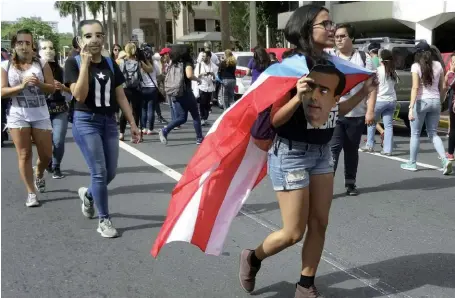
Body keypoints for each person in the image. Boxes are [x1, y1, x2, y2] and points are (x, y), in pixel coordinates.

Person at [238, 5, 378, 298]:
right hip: (291, 153)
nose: (332, 29)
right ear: (306, 30)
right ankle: (252, 258)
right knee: (292, 233)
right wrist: (296, 97)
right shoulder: (288, 68)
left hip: (322, 152)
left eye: (332, 23)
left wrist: (364, 94)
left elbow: (332, 111)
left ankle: (305, 285)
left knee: (320, 222)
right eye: (325, 24)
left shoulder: (331, 66)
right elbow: (274, 120)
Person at [64, 20, 141, 238]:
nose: (94, 40)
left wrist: (133, 124)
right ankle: (104, 219)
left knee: (110, 172)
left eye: (99, 35)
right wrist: (86, 65)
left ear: (104, 38)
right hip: (85, 120)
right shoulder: (73, 62)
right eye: (88, 36)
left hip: (109, 122)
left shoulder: (110, 62)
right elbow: (78, 95)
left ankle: (88, 195)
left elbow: (120, 95)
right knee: (98, 172)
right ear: (80, 40)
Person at [1, 29, 55, 207]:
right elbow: (2, 92)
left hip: (40, 114)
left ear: (33, 45)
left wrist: (39, 84)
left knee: (46, 155)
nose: (24, 46)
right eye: (20, 43)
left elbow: (52, 88)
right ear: (14, 45)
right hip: (18, 115)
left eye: (27, 43)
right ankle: (31, 193)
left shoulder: (42, 63)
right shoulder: (5, 66)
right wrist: (21, 86)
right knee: (24, 154)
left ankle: (39, 173)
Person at [329, 23, 377, 196]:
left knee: (351, 150)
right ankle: (326, 186)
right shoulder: (330, 57)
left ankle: (350, 183)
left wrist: (370, 110)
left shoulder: (364, 58)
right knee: (333, 150)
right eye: (336, 36)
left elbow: (372, 86)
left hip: (356, 113)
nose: (339, 39)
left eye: (343, 36)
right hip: (334, 113)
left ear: (352, 38)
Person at [400, 42, 452, 175]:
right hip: (435, 101)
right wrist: (440, 102)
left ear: (417, 53)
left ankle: (412, 163)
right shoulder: (439, 65)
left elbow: (415, 88)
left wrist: (411, 107)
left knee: (415, 133)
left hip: (421, 102)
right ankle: (445, 160)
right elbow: (442, 87)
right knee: (433, 133)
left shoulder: (416, 66)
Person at [39, 39, 71, 179]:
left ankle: (56, 166)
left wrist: (63, 87)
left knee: (58, 140)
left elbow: (72, 91)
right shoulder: (35, 70)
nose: (48, 50)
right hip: (40, 110)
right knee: (46, 143)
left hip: (60, 109)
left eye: (51, 47)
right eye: (44, 47)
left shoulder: (61, 70)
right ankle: (47, 162)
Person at [159, 44, 203, 145]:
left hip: (175, 92)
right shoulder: (187, 62)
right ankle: (199, 138)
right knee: (196, 115)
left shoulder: (174, 63)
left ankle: (165, 130)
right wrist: (198, 79)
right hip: (186, 92)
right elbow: (189, 75)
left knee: (182, 117)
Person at [361, 49, 398, 155]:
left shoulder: (377, 70)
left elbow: (372, 85)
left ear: (381, 58)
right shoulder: (393, 71)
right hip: (391, 100)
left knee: (371, 122)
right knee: (389, 126)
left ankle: (369, 145)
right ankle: (387, 150)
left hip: (379, 100)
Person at [118, 42, 145, 142]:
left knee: (125, 110)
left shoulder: (122, 62)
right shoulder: (138, 62)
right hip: (136, 89)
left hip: (125, 88)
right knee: (136, 112)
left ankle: (121, 133)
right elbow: (141, 75)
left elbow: (119, 76)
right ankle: (135, 135)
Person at [194, 50, 218, 126]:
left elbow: (215, 78)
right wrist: (201, 74)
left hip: (210, 87)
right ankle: (202, 118)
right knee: (202, 103)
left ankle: (205, 118)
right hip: (202, 86)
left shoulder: (214, 66)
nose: (203, 57)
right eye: (202, 56)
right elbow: (195, 76)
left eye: (204, 56)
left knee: (208, 104)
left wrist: (213, 75)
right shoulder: (199, 65)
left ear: (209, 57)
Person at [444, 52, 455, 161]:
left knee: (453, 129)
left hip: (454, 103)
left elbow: (450, 83)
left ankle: (450, 153)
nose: (452, 64)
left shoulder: (452, 74)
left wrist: (450, 72)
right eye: (452, 62)